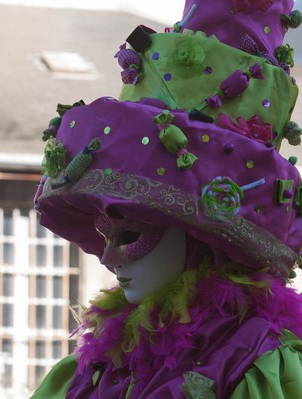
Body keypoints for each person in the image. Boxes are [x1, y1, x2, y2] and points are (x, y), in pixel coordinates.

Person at [31, 0, 302, 397]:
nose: (106, 259)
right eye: (105, 234)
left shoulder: (260, 363)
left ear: (197, 235)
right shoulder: (98, 366)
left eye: (129, 235)